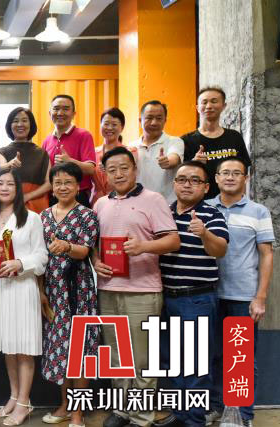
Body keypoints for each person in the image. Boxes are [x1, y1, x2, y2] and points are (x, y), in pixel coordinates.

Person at [92, 146, 180, 427]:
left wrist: (143, 246)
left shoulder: (153, 199)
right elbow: (94, 245)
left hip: (143, 290)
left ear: (135, 169)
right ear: (105, 174)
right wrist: (95, 261)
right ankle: (122, 411)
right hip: (108, 289)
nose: (118, 174)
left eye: (124, 168)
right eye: (112, 170)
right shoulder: (100, 204)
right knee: (116, 356)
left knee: (142, 359)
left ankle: (141, 417)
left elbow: (173, 241)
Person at [153, 161, 228, 427]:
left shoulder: (211, 214)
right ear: (174, 183)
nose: (187, 185)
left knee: (196, 364)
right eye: (182, 179)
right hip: (166, 297)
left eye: (195, 180)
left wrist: (204, 233)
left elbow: (220, 250)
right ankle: (180, 415)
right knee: (172, 362)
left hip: (196, 298)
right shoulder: (164, 212)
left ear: (206, 187)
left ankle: (194, 421)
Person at [206, 158, 274, 427]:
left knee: (239, 355)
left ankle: (241, 415)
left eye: (237, 173)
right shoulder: (205, 207)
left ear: (246, 178)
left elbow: (266, 255)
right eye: (225, 173)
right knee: (210, 354)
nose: (231, 177)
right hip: (208, 293)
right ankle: (215, 407)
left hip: (242, 295)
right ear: (216, 178)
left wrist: (261, 297)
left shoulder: (258, 211)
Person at [0, 170, 47, 426]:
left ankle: (24, 402)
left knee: (24, 347)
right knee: (9, 346)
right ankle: (14, 396)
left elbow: (42, 256)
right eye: (0, 183)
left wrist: (21, 263)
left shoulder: (32, 218)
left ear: (18, 189)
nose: (5, 187)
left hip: (22, 287)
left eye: (10, 184)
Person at [39, 162, 99, 427]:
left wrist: (67, 246)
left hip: (78, 290)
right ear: (52, 187)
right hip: (53, 290)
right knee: (60, 349)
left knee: (80, 349)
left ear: (77, 186)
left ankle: (78, 411)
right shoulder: (43, 216)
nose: (62, 187)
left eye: (68, 182)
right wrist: (41, 292)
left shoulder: (87, 215)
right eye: (58, 182)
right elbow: (39, 256)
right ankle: (64, 405)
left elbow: (85, 251)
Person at [182, 87, 252, 199]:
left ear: (224, 106)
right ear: (197, 108)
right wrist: (194, 163)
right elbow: (181, 179)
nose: (209, 106)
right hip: (200, 202)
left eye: (214, 101)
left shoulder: (234, 137)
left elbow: (244, 172)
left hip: (231, 202)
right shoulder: (186, 140)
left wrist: (241, 201)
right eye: (204, 102)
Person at [41, 94, 96, 207]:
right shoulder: (46, 140)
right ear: (50, 113)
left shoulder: (84, 135)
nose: (60, 113)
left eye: (65, 109)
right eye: (56, 109)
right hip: (53, 198)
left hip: (78, 197)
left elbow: (91, 169)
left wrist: (69, 161)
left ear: (73, 114)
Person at [0, 107, 51, 213]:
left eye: (24, 120)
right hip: (10, 202)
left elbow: (49, 183)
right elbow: (1, 167)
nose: (20, 124)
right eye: (15, 121)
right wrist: (10, 164)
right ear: (10, 125)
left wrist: (28, 196)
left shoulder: (42, 153)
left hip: (37, 204)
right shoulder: (2, 152)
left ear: (31, 125)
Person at [130, 100, 184, 204]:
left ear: (165, 120)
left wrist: (167, 162)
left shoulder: (175, 141)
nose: (154, 122)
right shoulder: (131, 147)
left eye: (159, 118)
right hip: (137, 205)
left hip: (167, 205)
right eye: (149, 118)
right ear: (140, 120)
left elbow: (174, 158)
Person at [91, 107, 138, 205]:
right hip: (96, 203)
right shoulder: (93, 152)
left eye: (114, 124)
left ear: (122, 127)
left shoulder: (130, 152)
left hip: (122, 201)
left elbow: (132, 179)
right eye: (106, 124)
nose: (109, 128)